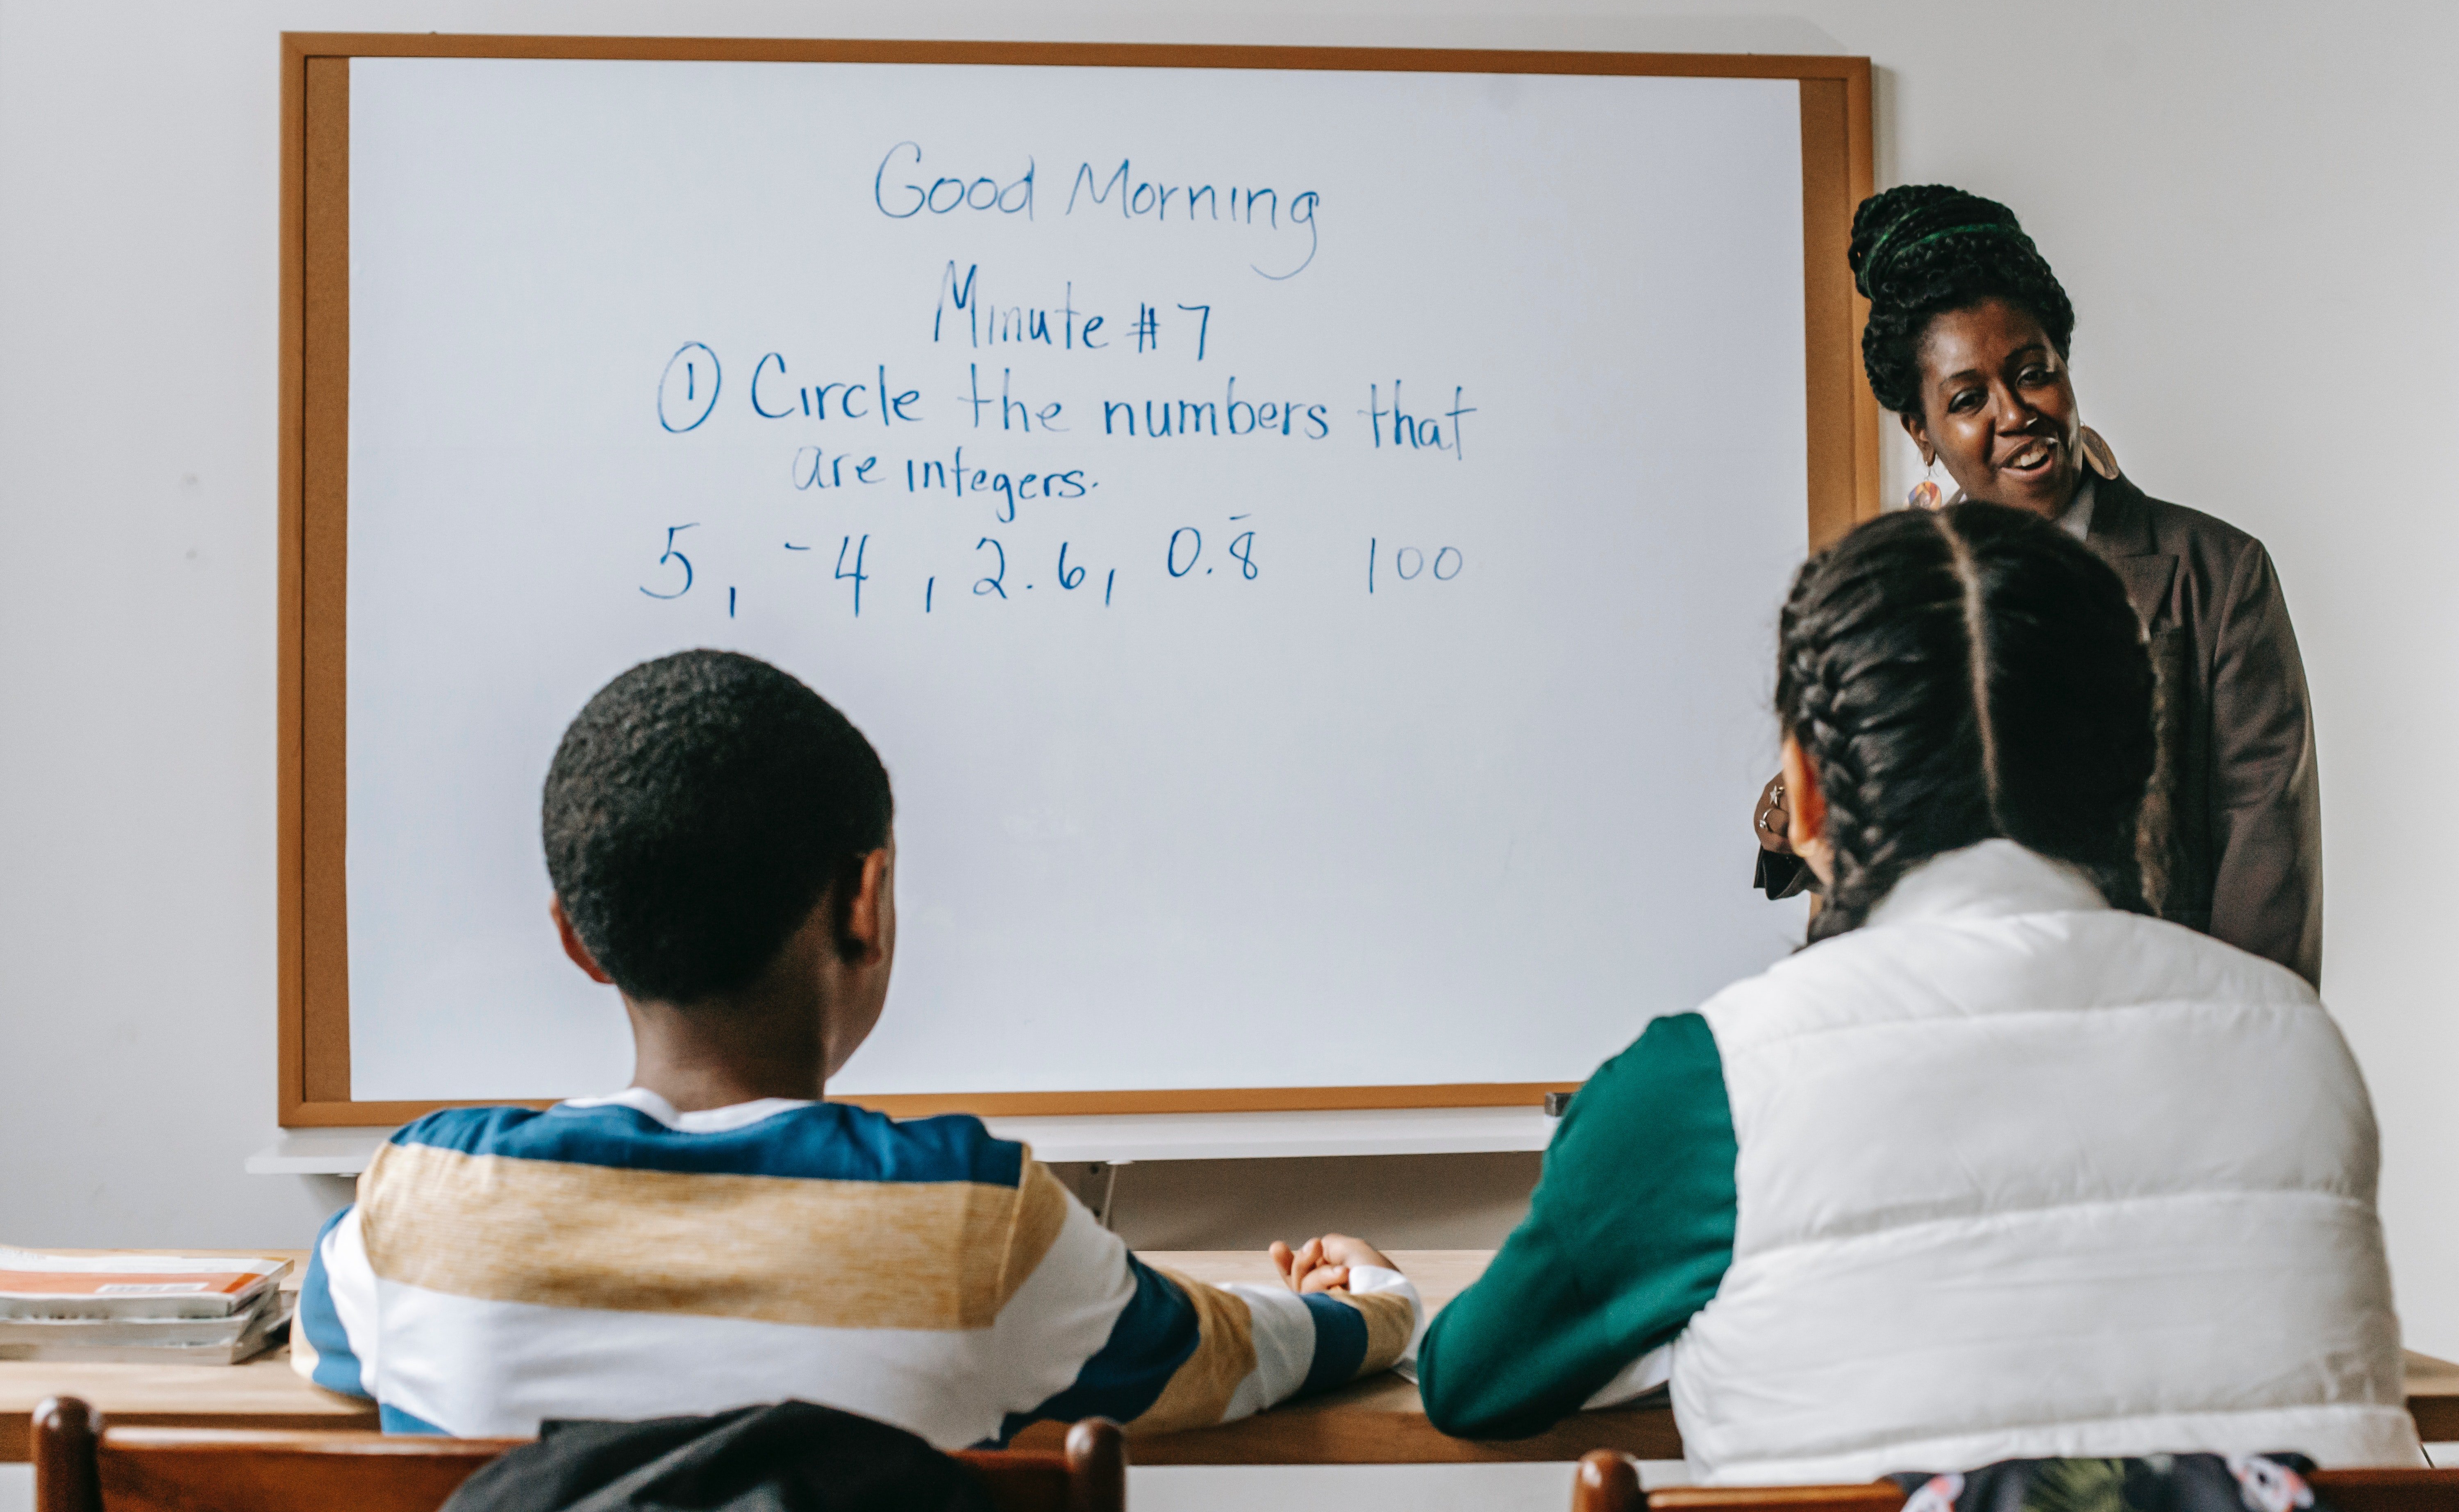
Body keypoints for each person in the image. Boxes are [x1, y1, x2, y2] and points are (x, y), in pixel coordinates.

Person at [1422, 503, 2414, 1482]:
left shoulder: (1705, 1088)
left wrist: (1383, 1296)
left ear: (1805, 794)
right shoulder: (2297, 1045)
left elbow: (1473, 1378)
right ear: (2135, 770)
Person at [294, 649, 1419, 1442]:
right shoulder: (977, 1226)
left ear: (578, 940)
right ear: (867, 901)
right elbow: (1243, 1354)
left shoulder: (422, 1213)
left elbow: (314, 1331)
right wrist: (1376, 1295)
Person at [1753, 185, 2323, 988]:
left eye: (2034, 373)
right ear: (1921, 431)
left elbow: (2267, 855)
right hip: (1946, 1028)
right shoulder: (1892, 593)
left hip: (2151, 1028)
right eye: (1967, 399)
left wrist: (2239, 1033)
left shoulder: (2217, 574)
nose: (2017, 412)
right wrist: (1795, 832)